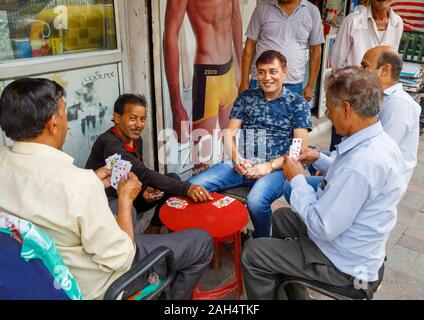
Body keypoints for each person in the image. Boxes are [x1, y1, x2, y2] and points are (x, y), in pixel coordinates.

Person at [0, 78, 213, 300]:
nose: (68, 123)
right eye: (65, 115)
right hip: (99, 286)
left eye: (142, 119)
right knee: (201, 242)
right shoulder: (79, 183)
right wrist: (124, 200)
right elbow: (121, 258)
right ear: (53, 123)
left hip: (43, 278)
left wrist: (92, 180)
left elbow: (44, 191)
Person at [242, 67, 407, 300]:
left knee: (253, 253)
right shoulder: (377, 141)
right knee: (282, 219)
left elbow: (322, 226)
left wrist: (297, 179)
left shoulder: (362, 163)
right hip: (351, 243)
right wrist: (319, 158)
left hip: (344, 265)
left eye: (329, 108)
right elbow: (347, 179)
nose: (327, 114)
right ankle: (294, 292)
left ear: (347, 109)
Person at [189, 50, 312, 238]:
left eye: (273, 71)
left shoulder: (297, 103)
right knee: (193, 185)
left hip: (278, 169)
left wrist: (268, 166)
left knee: (256, 201)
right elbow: (228, 133)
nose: (267, 77)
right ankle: (219, 233)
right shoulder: (246, 97)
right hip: (243, 163)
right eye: (262, 72)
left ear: (284, 72)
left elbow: (299, 150)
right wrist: (237, 158)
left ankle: (261, 243)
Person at [85, 93, 213, 234]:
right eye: (132, 118)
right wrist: (187, 188)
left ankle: (153, 228)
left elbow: (137, 171)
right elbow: (143, 173)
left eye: (142, 119)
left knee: (173, 179)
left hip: (128, 191)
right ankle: (133, 245)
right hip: (109, 202)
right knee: (133, 208)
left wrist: (145, 188)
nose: (139, 125)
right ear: (117, 117)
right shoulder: (110, 144)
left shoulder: (136, 139)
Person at [163, 0, 243, 148]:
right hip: (207, 77)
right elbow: (170, 36)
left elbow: (235, 17)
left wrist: (240, 66)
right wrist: (176, 106)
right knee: (202, 155)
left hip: (230, 72)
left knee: (233, 148)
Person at [329, 0, 403, 150]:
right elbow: (337, 63)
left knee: (369, 150)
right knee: (339, 152)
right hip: (350, 102)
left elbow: (392, 63)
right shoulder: (353, 21)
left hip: (378, 103)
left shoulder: (397, 23)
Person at [239, 0, 324, 101]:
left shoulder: (312, 11)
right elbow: (249, 46)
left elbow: (315, 51)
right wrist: (244, 82)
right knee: (257, 115)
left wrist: (311, 86)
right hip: (262, 81)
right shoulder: (262, 8)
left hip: (293, 84)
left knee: (289, 116)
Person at [361, 45, 421, 184]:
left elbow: (377, 155)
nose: (360, 71)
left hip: (379, 183)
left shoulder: (399, 104)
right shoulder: (381, 98)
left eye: (365, 66)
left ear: (385, 70)